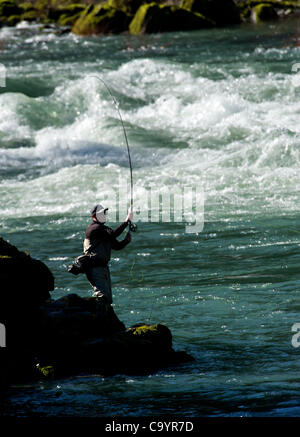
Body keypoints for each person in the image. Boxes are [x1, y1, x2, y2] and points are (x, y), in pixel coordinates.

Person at [83, 203, 132, 314]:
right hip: (94, 268)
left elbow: (116, 246)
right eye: (100, 214)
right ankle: (100, 322)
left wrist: (126, 241)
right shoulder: (94, 229)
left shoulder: (104, 230)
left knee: (108, 298)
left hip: (103, 268)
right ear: (93, 217)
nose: (103, 215)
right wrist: (127, 220)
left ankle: (106, 320)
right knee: (103, 297)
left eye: (104, 213)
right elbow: (113, 234)